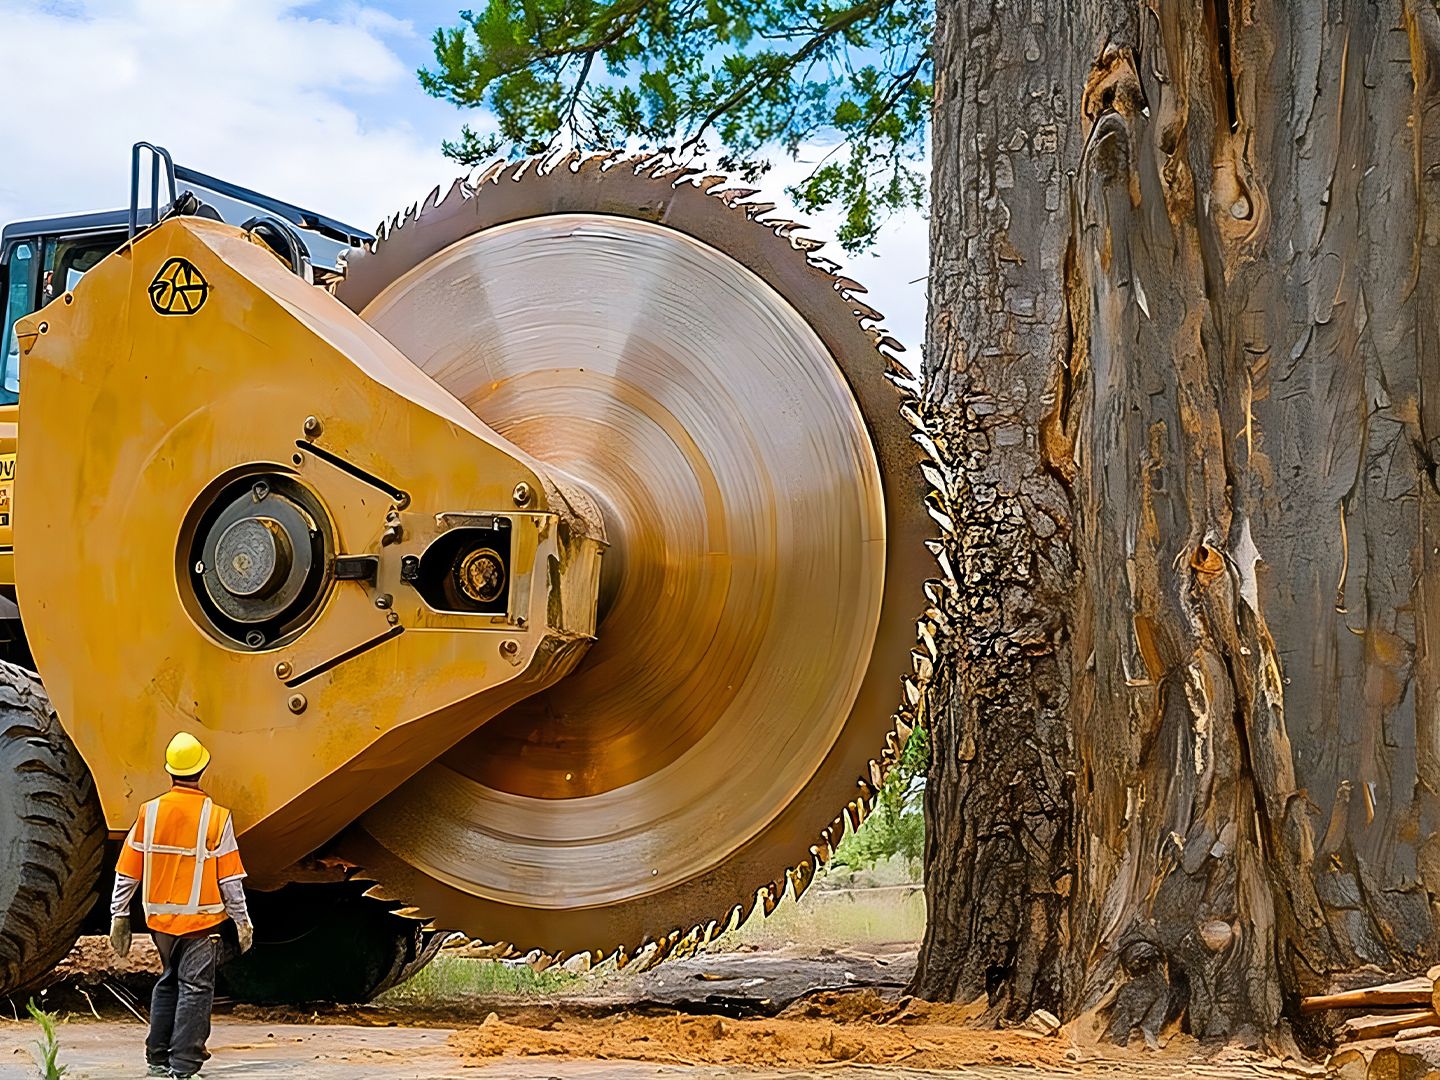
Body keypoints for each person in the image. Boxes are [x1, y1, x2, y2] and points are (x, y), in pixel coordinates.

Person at [108, 732, 255, 1079]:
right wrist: (243, 921)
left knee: (169, 982)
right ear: (202, 768)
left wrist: (119, 913)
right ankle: (184, 1067)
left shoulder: (150, 812)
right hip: (202, 924)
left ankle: (157, 1060)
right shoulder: (216, 817)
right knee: (196, 989)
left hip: (160, 923)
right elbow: (230, 880)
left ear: (170, 771)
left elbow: (127, 869)